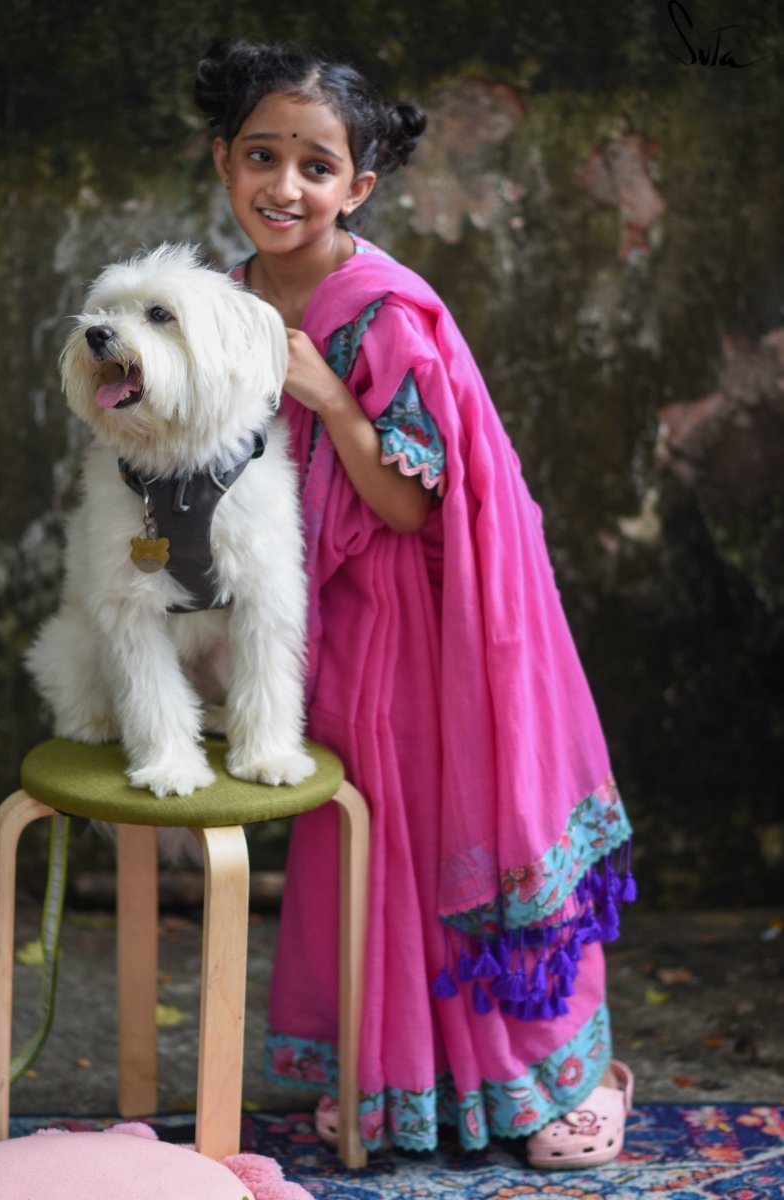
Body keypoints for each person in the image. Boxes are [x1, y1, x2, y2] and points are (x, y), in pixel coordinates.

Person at [194, 39, 636, 1168]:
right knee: (363, 844)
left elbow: (402, 503)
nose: (285, 187)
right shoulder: (219, 301)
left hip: (417, 620)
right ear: (223, 160)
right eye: (262, 157)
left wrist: (330, 397)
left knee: (441, 830)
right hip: (311, 614)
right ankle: (393, 1069)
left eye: (316, 167)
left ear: (359, 187)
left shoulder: (383, 313)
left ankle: (560, 1075)